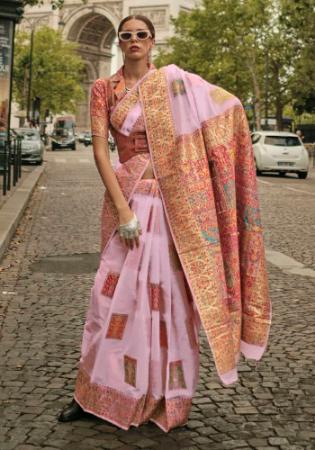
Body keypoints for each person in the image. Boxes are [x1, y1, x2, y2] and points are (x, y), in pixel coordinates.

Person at [58, 15, 271, 432]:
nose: (133, 41)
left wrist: (235, 114)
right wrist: (123, 211)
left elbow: (224, 108)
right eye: (126, 36)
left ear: (153, 42)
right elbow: (102, 153)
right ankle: (93, 392)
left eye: (141, 35)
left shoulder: (176, 86)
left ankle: (161, 396)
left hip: (173, 209)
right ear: (118, 43)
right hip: (129, 202)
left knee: (168, 303)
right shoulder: (104, 88)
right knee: (110, 302)